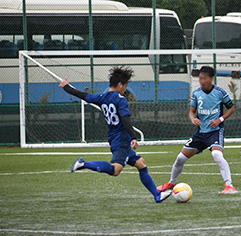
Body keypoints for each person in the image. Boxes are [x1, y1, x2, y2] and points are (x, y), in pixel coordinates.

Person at [59, 67, 171, 203]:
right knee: (115, 170)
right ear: (120, 85)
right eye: (125, 86)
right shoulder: (121, 99)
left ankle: (157, 195)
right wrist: (134, 136)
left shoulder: (102, 97)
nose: (125, 89)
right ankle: (84, 164)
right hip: (122, 139)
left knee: (141, 164)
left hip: (113, 138)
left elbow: (83, 95)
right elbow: (125, 119)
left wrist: (66, 87)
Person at [157, 66, 237, 194]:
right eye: (200, 78)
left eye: (204, 78)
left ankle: (229, 186)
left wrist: (219, 120)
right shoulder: (196, 94)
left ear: (211, 78)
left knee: (217, 154)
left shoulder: (220, 92)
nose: (202, 81)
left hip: (215, 132)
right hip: (200, 134)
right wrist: (193, 119)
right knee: (180, 159)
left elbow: (231, 109)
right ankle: (171, 183)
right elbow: (192, 112)